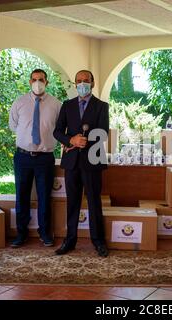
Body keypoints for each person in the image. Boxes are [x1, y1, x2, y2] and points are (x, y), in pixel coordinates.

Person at [53, 70, 110, 257]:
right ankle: (70, 240)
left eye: (86, 81)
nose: (82, 84)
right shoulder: (67, 105)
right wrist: (71, 140)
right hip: (72, 162)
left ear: (92, 83)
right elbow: (58, 131)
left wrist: (83, 141)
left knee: (94, 202)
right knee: (73, 202)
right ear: (75, 84)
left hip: (93, 160)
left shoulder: (101, 106)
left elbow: (103, 132)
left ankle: (98, 241)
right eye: (79, 81)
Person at [9, 69, 62, 247]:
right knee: (21, 196)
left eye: (41, 79)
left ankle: (45, 232)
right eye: (34, 79)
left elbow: (60, 129)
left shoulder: (56, 104)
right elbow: (13, 125)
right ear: (30, 81)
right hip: (23, 157)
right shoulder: (19, 102)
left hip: (45, 158)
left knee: (44, 196)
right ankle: (21, 233)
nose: (37, 82)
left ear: (47, 82)